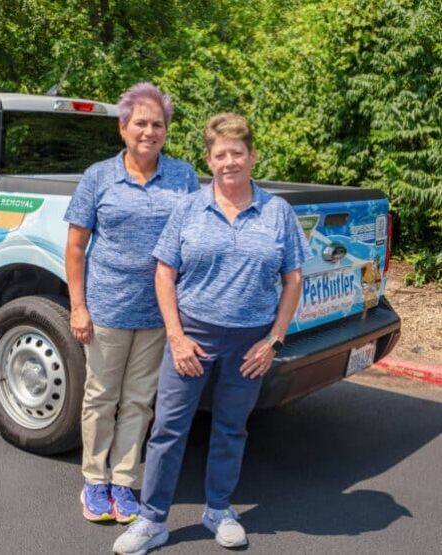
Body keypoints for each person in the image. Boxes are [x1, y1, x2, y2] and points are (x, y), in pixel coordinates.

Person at [113, 113, 311, 553]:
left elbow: (293, 278)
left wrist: (274, 340)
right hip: (192, 338)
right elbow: (164, 273)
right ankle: (152, 520)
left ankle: (219, 510)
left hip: (249, 344)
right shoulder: (189, 208)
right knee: (168, 429)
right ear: (209, 160)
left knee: (231, 428)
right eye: (220, 155)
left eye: (237, 153)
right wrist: (176, 337)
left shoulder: (277, 212)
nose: (229, 162)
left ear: (252, 156)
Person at [64, 82, 199, 523]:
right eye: (140, 123)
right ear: (123, 128)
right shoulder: (99, 177)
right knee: (101, 398)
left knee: (140, 401)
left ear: (166, 131)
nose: (149, 131)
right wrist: (78, 307)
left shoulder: (182, 176)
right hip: (107, 308)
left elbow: (195, 237)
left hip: (159, 314)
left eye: (157, 124)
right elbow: (76, 247)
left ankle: (123, 481)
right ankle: (94, 481)